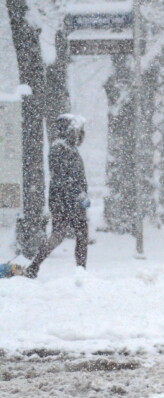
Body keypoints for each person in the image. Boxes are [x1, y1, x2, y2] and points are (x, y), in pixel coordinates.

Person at [23, 114, 89, 279]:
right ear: (68, 130)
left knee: (73, 235)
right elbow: (63, 178)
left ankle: (79, 271)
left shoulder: (69, 148)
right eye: (77, 131)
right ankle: (35, 266)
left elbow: (75, 177)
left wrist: (81, 193)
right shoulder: (59, 148)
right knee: (64, 234)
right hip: (64, 201)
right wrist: (77, 194)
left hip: (70, 200)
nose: (80, 135)